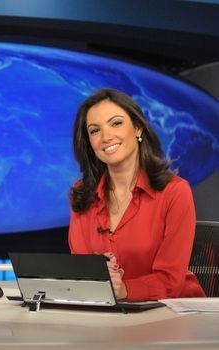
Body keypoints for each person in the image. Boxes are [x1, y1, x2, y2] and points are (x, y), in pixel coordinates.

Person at [68, 88, 205, 301]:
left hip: (171, 314)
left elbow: (170, 281)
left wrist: (124, 290)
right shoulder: (82, 194)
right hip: (108, 315)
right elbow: (79, 270)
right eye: (94, 130)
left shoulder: (175, 192)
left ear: (138, 128)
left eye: (116, 123)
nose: (105, 137)